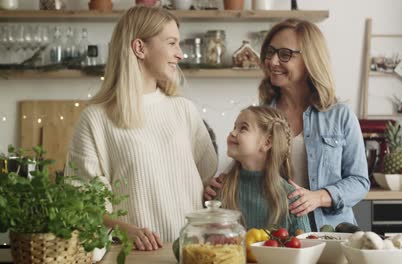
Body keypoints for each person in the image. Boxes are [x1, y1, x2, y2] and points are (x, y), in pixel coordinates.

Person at [65, 6, 217, 251]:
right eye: (172, 43)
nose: (180, 54)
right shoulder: (95, 119)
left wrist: (213, 188)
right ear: (139, 48)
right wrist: (124, 230)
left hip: (192, 253)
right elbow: (82, 207)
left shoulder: (184, 110)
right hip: (132, 255)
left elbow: (208, 183)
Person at [204, 18, 369, 231]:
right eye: (270, 52)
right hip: (279, 234)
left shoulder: (340, 116)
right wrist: (216, 185)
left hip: (331, 233)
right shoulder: (262, 116)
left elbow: (359, 181)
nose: (272, 62)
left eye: (284, 54)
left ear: (310, 59)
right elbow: (245, 169)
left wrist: (319, 197)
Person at [217, 105, 310, 234]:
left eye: (243, 128)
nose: (232, 133)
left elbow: (305, 247)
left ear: (267, 143)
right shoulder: (222, 188)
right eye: (234, 127)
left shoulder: (291, 197)